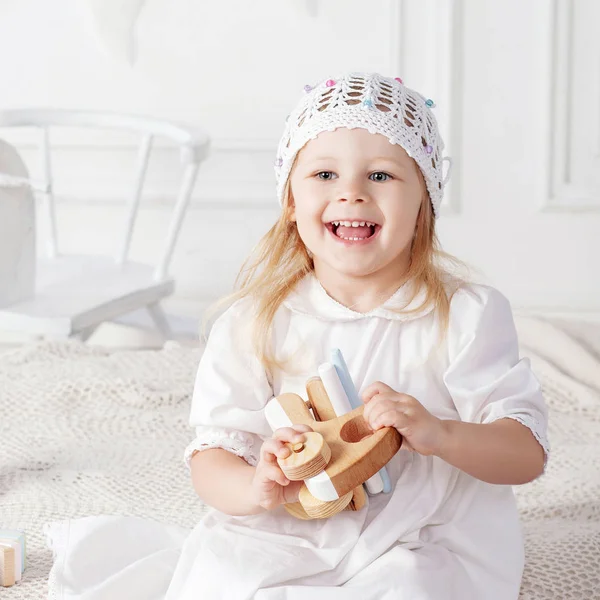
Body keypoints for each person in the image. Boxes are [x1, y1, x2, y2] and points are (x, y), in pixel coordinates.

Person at [166, 72, 549, 600]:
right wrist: (255, 488)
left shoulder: (465, 315)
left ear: (423, 206)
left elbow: (525, 454)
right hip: (293, 525)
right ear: (291, 203)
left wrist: (441, 434)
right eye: (324, 173)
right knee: (222, 576)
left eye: (382, 176)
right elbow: (212, 455)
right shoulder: (253, 323)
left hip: (421, 534)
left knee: (411, 587)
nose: (352, 192)